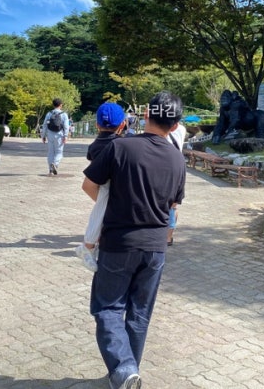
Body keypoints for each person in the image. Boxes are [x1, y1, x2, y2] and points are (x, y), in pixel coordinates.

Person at [81, 91, 186, 389]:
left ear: (145, 115)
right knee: (139, 314)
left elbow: (89, 185)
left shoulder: (120, 147)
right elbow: (173, 206)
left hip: (119, 242)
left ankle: (124, 370)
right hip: (155, 247)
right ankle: (126, 375)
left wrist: (112, 207)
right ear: (175, 126)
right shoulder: (178, 159)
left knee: (108, 308)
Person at [74, 102, 126, 272]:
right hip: (112, 185)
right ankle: (87, 246)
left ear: (97, 124)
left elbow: (92, 163)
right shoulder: (123, 145)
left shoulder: (94, 145)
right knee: (100, 212)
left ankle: (90, 245)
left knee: (100, 212)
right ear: (122, 124)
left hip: (101, 183)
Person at [166, 122, 187, 246]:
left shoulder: (161, 127)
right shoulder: (182, 129)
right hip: (177, 167)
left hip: (163, 166)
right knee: (173, 206)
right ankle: (168, 237)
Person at [41, 98, 70, 175]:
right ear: (61, 105)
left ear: (53, 105)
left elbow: (44, 125)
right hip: (59, 135)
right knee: (59, 152)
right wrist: (66, 136)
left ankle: (50, 169)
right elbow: (66, 126)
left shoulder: (49, 113)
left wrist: (43, 136)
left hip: (50, 134)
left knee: (50, 152)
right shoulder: (64, 114)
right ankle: (55, 163)